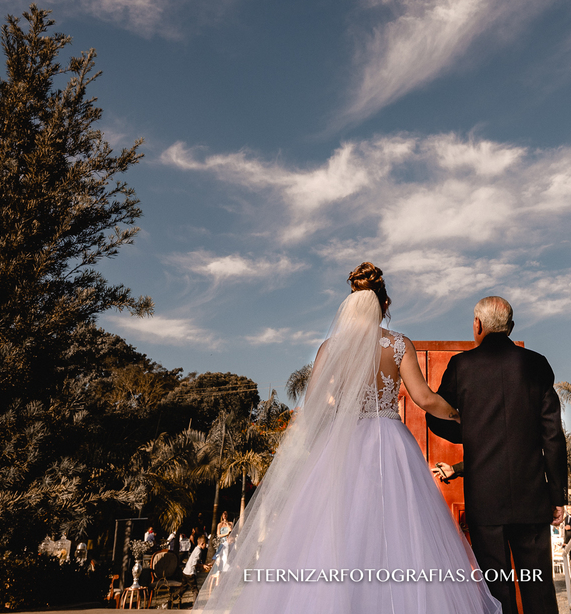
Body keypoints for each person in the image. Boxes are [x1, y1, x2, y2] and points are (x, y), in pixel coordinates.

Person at [194, 263, 499, 614]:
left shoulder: (330, 347)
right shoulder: (398, 344)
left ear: (352, 302)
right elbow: (425, 399)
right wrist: (461, 416)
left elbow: (312, 409)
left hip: (344, 440)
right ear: (385, 305)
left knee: (336, 528)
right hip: (390, 442)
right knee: (398, 528)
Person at [427, 295, 567, 614]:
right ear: (510, 327)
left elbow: (434, 416)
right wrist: (557, 494)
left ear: (477, 325)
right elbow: (553, 434)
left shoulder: (461, 366)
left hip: (485, 498)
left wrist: (471, 434)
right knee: (539, 587)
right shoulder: (537, 363)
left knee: (496, 588)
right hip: (533, 496)